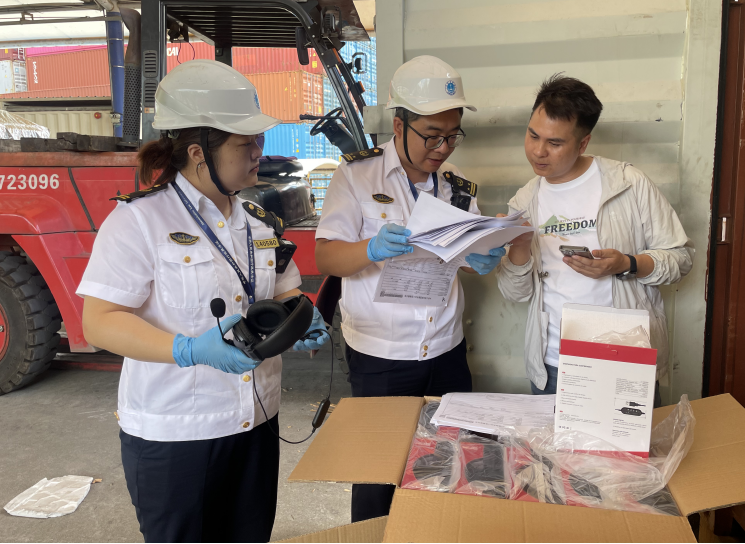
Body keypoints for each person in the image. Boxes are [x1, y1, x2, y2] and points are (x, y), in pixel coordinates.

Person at [77, 60, 329, 543]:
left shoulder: (258, 220)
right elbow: (101, 321)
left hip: (256, 419)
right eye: (245, 143)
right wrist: (188, 350)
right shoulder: (139, 221)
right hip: (177, 434)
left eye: (258, 139)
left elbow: (282, 289)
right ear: (198, 152)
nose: (259, 152)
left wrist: (302, 315)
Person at [315, 55, 505, 522]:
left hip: (445, 349)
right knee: (377, 474)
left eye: (452, 135)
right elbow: (326, 257)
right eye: (432, 135)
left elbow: (459, 261)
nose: (442, 147)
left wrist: (479, 259)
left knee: (447, 464)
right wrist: (370, 249)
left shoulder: (457, 188)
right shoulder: (356, 176)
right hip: (380, 355)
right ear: (399, 125)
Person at [496, 74, 694, 405]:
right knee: (553, 442)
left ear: (583, 143)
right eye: (532, 135)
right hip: (553, 362)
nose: (538, 151)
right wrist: (519, 247)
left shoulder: (627, 184)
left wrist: (627, 264)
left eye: (555, 143)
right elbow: (515, 293)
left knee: (631, 441)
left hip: (623, 356)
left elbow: (681, 258)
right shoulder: (525, 200)